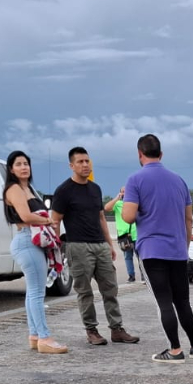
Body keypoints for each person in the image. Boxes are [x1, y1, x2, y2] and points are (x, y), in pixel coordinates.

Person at [122, 135, 193, 364]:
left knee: (164, 302)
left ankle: (174, 350)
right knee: (182, 301)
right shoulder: (179, 180)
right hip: (177, 250)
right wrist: (185, 245)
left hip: (152, 250)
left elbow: (128, 216)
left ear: (139, 154)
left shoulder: (135, 180)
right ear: (161, 154)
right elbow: (188, 219)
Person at [50, 147, 139, 346]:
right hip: (77, 246)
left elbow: (101, 217)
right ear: (71, 166)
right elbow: (55, 220)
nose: (85, 165)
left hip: (100, 245)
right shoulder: (64, 191)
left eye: (87, 161)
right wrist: (55, 249)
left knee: (110, 288)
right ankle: (91, 330)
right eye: (80, 162)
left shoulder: (95, 188)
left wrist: (109, 244)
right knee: (85, 291)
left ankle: (117, 329)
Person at [3, 150, 67, 354]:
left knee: (33, 292)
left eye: (26, 163)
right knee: (38, 293)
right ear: (11, 169)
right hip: (26, 241)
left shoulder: (29, 188)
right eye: (18, 164)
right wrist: (48, 220)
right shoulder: (13, 189)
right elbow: (25, 216)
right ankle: (45, 338)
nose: (24, 167)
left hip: (33, 242)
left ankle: (34, 335)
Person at [105, 187, 140, 283]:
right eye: (123, 192)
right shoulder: (118, 204)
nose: (125, 193)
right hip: (124, 235)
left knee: (140, 256)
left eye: (126, 192)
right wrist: (117, 198)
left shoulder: (135, 203)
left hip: (136, 233)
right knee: (127, 256)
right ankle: (131, 276)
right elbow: (107, 208)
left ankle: (144, 276)